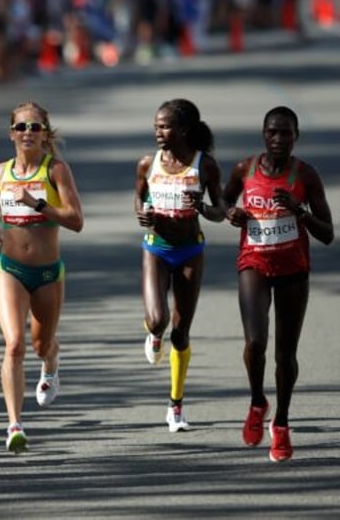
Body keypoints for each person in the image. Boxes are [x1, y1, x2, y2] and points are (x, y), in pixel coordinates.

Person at [221, 106, 333, 462]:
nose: (279, 139)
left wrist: (300, 211)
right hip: (253, 261)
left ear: (296, 136)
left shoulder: (306, 176)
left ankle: (281, 424)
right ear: (263, 135)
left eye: (286, 133)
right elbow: (224, 200)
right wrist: (231, 213)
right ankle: (258, 401)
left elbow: (328, 234)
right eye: (272, 132)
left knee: (285, 355)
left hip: (293, 269)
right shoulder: (245, 169)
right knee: (255, 343)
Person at [0, 101, 83, 452]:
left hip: (47, 273)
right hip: (10, 269)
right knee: (13, 345)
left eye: (35, 127)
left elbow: (76, 221)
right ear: (12, 133)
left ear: (45, 134)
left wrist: (38, 205)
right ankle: (14, 424)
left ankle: (52, 364)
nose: (28, 133)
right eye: (22, 127)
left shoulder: (55, 169)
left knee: (41, 345)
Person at [134, 98, 225, 433]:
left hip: (190, 252)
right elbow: (140, 198)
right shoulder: (147, 163)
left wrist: (201, 206)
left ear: (183, 129)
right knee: (157, 321)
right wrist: (143, 215)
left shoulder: (205, 166)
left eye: (165, 126)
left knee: (181, 332)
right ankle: (153, 335)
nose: (158, 132)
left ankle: (175, 406)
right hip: (156, 250)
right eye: (156, 126)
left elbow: (222, 211)